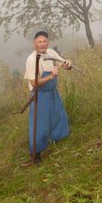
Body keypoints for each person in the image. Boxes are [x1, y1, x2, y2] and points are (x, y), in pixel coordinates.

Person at [23, 30, 72, 163]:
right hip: (40, 96)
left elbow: (62, 63)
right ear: (35, 43)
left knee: (59, 115)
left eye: (45, 41)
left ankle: (56, 139)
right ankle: (36, 153)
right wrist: (51, 76)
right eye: (39, 42)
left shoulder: (50, 53)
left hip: (52, 92)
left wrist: (67, 64)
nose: (42, 44)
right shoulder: (32, 59)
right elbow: (34, 82)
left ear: (48, 42)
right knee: (40, 124)